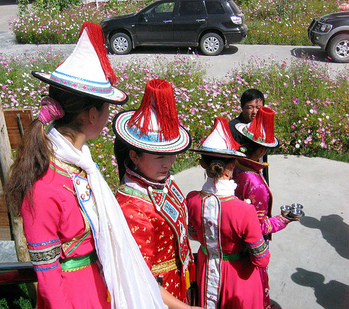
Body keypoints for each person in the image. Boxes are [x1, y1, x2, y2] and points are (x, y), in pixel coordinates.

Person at [5, 22, 167, 309]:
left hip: (97, 284)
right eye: (105, 107)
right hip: (75, 295)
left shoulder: (80, 165)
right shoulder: (45, 183)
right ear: (92, 115)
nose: (107, 115)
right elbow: (49, 276)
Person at [113, 78, 202, 309]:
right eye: (160, 156)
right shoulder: (131, 208)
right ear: (134, 156)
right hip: (159, 295)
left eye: (171, 154)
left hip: (181, 282)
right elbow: (140, 277)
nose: (169, 162)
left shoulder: (163, 182)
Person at [186, 117, 270, 309]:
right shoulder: (245, 210)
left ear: (202, 164)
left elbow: (193, 234)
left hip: (206, 270)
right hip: (238, 279)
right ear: (233, 165)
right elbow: (262, 259)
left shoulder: (191, 199)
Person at [233, 106, 297, 309]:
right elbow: (258, 227)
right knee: (256, 287)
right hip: (251, 246)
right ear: (261, 150)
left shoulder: (235, 167)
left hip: (234, 237)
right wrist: (284, 219)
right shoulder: (256, 184)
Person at [228, 88, 269, 183]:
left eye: (258, 108)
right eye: (250, 107)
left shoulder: (263, 126)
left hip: (259, 177)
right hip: (239, 179)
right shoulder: (233, 128)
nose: (255, 112)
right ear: (242, 107)